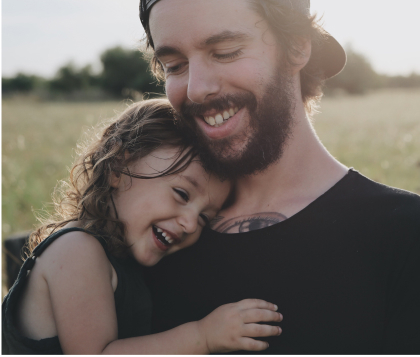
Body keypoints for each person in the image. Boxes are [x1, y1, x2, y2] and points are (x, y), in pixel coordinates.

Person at [139, 0, 420, 353]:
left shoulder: (403, 234)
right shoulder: (149, 228)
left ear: (298, 47)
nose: (195, 89)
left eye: (226, 51)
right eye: (175, 65)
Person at [2, 98, 283, 354]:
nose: (189, 224)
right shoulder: (77, 250)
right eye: (182, 194)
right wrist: (203, 336)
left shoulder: (121, 260)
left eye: (203, 218)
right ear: (117, 167)